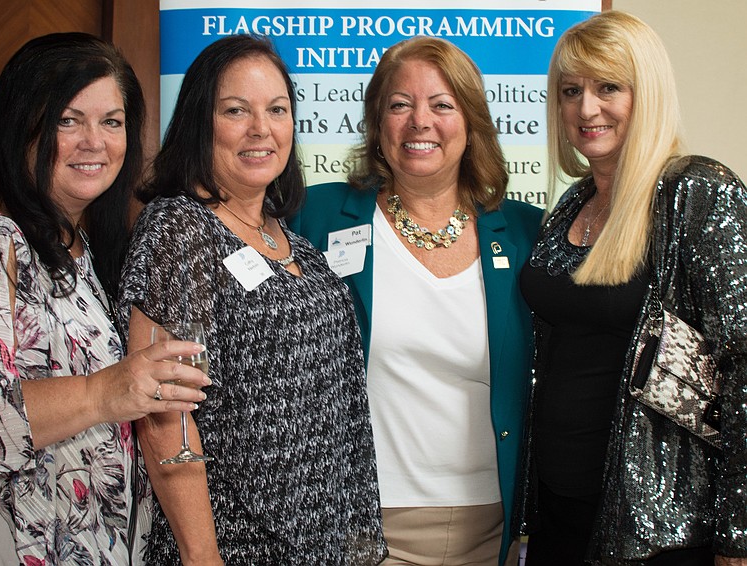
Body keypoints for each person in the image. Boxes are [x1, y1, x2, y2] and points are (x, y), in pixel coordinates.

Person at [0, 33, 210, 564]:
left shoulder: (78, 244)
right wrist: (106, 390)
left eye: (112, 122)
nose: (96, 141)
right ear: (22, 125)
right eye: (68, 120)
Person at [119, 34, 386, 565]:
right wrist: (202, 557)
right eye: (236, 110)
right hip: (234, 546)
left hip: (324, 545)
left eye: (277, 110)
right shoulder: (179, 232)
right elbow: (162, 413)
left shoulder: (292, 241)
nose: (261, 129)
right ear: (200, 123)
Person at [289, 36, 541, 566]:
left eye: (442, 105)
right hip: (360, 527)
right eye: (399, 105)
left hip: (491, 526)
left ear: (470, 124)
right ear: (378, 126)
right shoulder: (316, 215)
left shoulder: (524, 233)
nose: (419, 121)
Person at [514, 11, 747, 566]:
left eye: (608, 87)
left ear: (648, 93)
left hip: (659, 530)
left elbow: (744, 362)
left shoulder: (697, 194)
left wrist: (739, 531)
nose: (586, 108)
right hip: (558, 513)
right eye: (571, 91)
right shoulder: (571, 203)